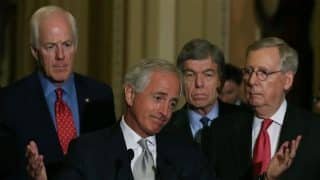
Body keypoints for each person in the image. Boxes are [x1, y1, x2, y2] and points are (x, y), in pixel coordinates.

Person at [26, 58, 216, 180]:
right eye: (158, 98)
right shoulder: (88, 152)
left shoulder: (186, 154)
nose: (165, 111)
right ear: (130, 95)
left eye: (172, 103)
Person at [0, 5, 116, 179]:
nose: (60, 56)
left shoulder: (100, 95)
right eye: (50, 46)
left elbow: (111, 166)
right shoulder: (9, 102)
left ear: (75, 46)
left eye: (67, 45)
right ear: (34, 51)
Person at [206, 37, 320, 179]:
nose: (252, 81)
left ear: (287, 80)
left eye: (263, 73)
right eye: (248, 71)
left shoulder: (314, 131)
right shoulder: (221, 130)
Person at [164, 39, 243, 148]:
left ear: (220, 80)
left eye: (208, 75)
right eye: (190, 75)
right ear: (181, 81)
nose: (199, 83)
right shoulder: (165, 127)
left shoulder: (244, 121)